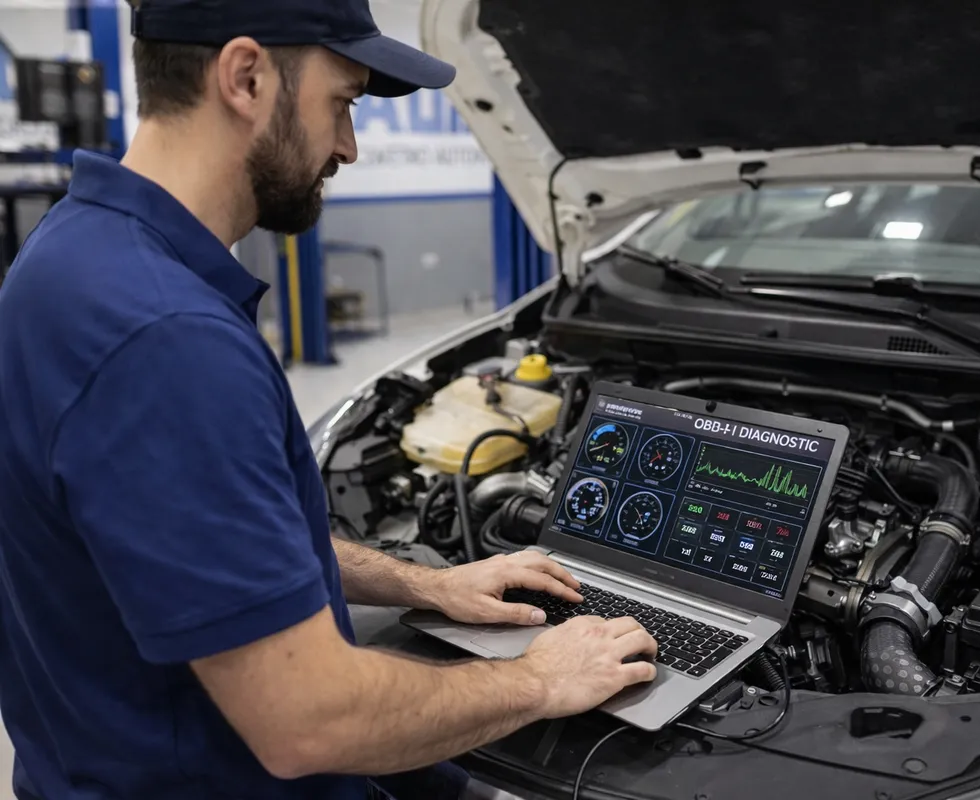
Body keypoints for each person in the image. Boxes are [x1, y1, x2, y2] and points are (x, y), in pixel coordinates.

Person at [0, 1, 658, 798]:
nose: (348, 145)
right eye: (341, 102)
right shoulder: (167, 339)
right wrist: (541, 678)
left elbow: (213, 549)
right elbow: (308, 721)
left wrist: (426, 585)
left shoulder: (70, 257)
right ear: (245, 77)